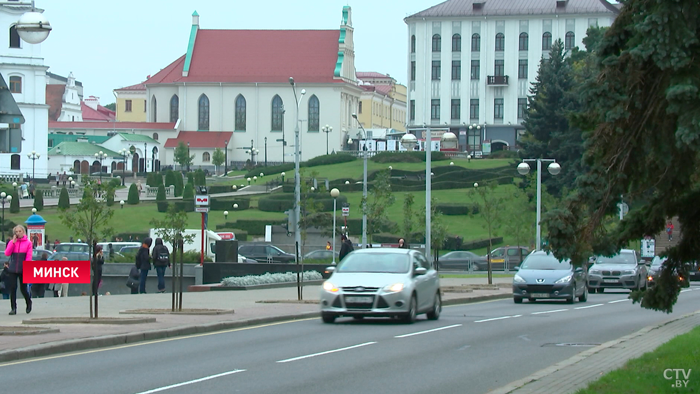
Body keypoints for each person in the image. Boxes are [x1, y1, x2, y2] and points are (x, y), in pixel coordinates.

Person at [4, 225, 33, 315]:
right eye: (16, 232)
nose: (18, 233)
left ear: (23, 232)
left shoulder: (28, 243)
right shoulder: (13, 242)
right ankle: (13, 308)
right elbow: (7, 253)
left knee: (23, 288)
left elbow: (29, 256)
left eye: (20, 231)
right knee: (13, 288)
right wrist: (13, 242)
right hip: (13, 268)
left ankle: (28, 302)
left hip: (23, 267)